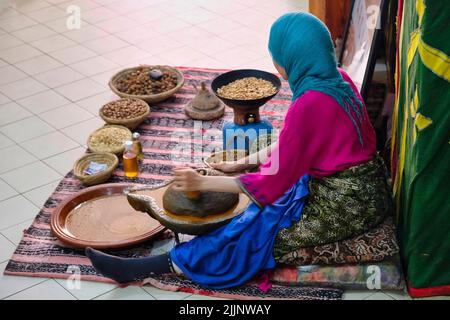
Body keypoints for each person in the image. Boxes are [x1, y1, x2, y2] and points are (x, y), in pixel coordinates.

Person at [86, 12, 392, 289]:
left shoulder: (310, 103)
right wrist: (240, 164)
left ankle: (160, 266)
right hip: (360, 183)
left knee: (257, 235)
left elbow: (270, 184)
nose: (275, 62)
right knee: (260, 187)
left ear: (288, 58)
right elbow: (295, 144)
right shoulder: (338, 78)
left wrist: (202, 182)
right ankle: (173, 258)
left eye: (276, 55)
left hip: (349, 203)